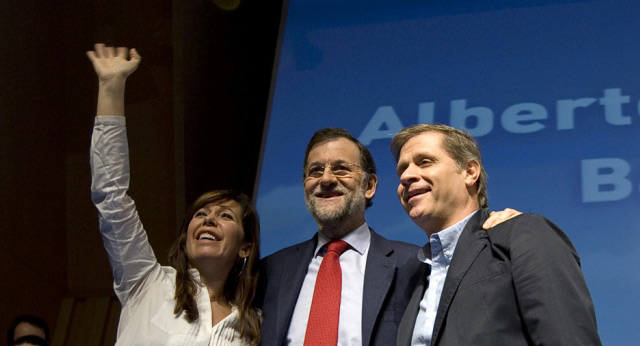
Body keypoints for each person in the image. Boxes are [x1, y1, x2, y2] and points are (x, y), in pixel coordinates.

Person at [256, 128, 520, 346]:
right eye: (315, 171)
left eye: (340, 169)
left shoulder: (416, 265)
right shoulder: (270, 271)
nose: (326, 179)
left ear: (369, 186)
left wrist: (496, 227)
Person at [87, 43, 261, 345]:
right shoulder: (146, 282)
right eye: (201, 214)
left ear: (245, 247)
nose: (208, 220)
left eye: (225, 216)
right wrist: (111, 87)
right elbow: (112, 197)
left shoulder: (255, 325)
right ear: (186, 236)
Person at [391, 124, 601, 346]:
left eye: (425, 162)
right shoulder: (413, 278)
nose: (407, 175)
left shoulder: (521, 234)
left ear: (470, 172)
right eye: (401, 170)